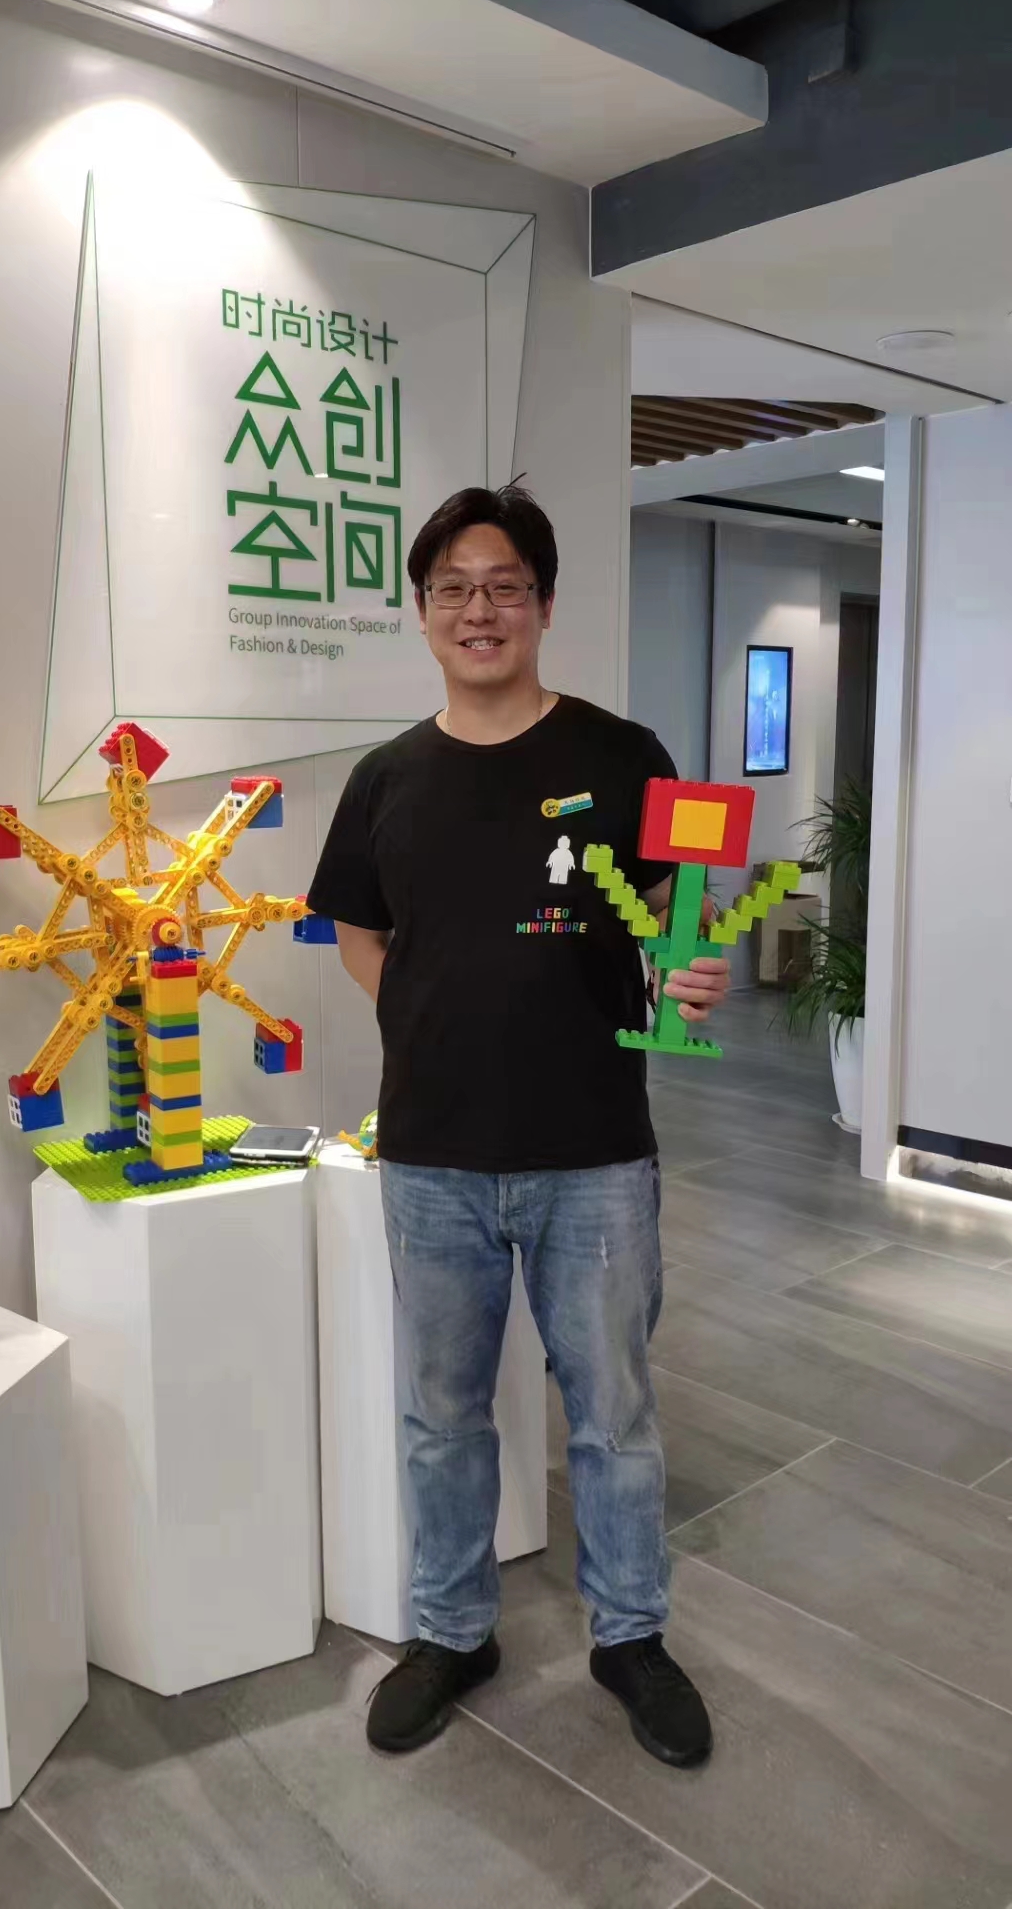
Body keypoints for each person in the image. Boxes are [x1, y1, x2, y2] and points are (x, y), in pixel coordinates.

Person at [307, 483, 730, 1769]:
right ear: (423, 611)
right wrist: (431, 1018)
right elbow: (358, 931)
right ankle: (453, 1633)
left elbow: (679, 907)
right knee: (442, 1414)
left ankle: (630, 1636)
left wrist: (689, 969)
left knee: (613, 1413)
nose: (478, 610)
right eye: (454, 589)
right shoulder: (386, 778)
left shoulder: (625, 755)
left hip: (593, 1149)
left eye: (503, 586)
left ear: (543, 604)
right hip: (431, 1154)